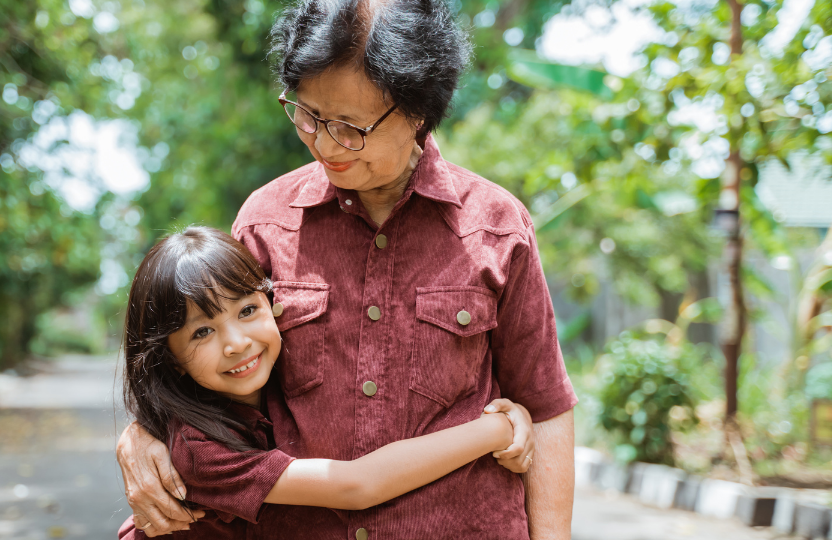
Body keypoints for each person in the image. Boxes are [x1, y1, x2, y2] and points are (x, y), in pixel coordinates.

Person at [118, 0, 578, 538]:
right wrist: (145, 433)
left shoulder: (496, 227)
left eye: (350, 126)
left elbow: (545, 405)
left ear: (419, 111)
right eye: (309, 115)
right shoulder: (265, 222)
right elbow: (211, 375)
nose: (324, 143)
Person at [116, 226, 528, 539]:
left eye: (247, 311)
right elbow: (357, 486)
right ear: (171, 360)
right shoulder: (197, 449)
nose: (236, 343)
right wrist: (495, 429)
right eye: (202, 332)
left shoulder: (277, 381)